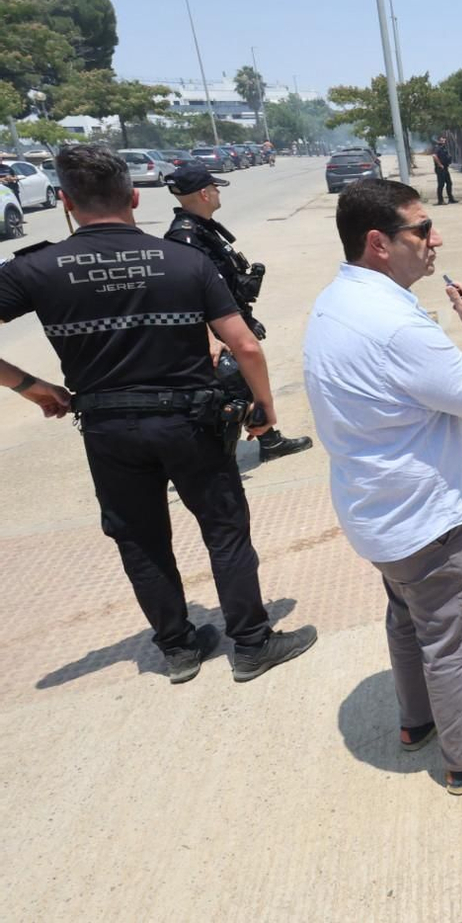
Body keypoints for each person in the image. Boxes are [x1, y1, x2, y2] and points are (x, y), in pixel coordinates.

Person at [0, 145, 317, 683]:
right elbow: (244, 344)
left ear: (66, 203)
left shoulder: (36, 267)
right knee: (224, 531)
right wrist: (263, 407)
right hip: (190, 422)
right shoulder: (185, 260)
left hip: (107, 427)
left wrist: (31, 386)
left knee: (140, 538)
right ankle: (252, 643)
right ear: (133, 196)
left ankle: (178, 648)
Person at [302, 177, 462, 796]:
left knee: (409, 620)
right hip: (425, 517)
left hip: (377, 512)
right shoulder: (393, 325)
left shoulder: (337, 300)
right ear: (379, 242)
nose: (437, 240)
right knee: (453, 638)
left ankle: (418, 722)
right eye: (422, 229)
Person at [164, 164, 314, 462]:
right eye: (215, 188)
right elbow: (185, 294)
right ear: (204, 193)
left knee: (238, 383)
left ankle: (266, 439)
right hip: (214, 325)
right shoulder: (185, 237)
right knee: (231, 386)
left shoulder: (202, 229)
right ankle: (221, 451)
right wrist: (208, 335)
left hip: (229, 316)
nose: (219, 193)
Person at [432, 136, 457, 206]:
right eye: (442, 140)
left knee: (449, 183)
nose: (443, 141)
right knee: (441, 184)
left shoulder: (443, 148)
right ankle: (440, 200)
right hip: (440, 169)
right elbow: (434, 156)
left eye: (444, 140)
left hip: (445, 168)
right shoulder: (437, 148)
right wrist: (440, 164)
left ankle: (451, 199)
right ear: (439, 141)